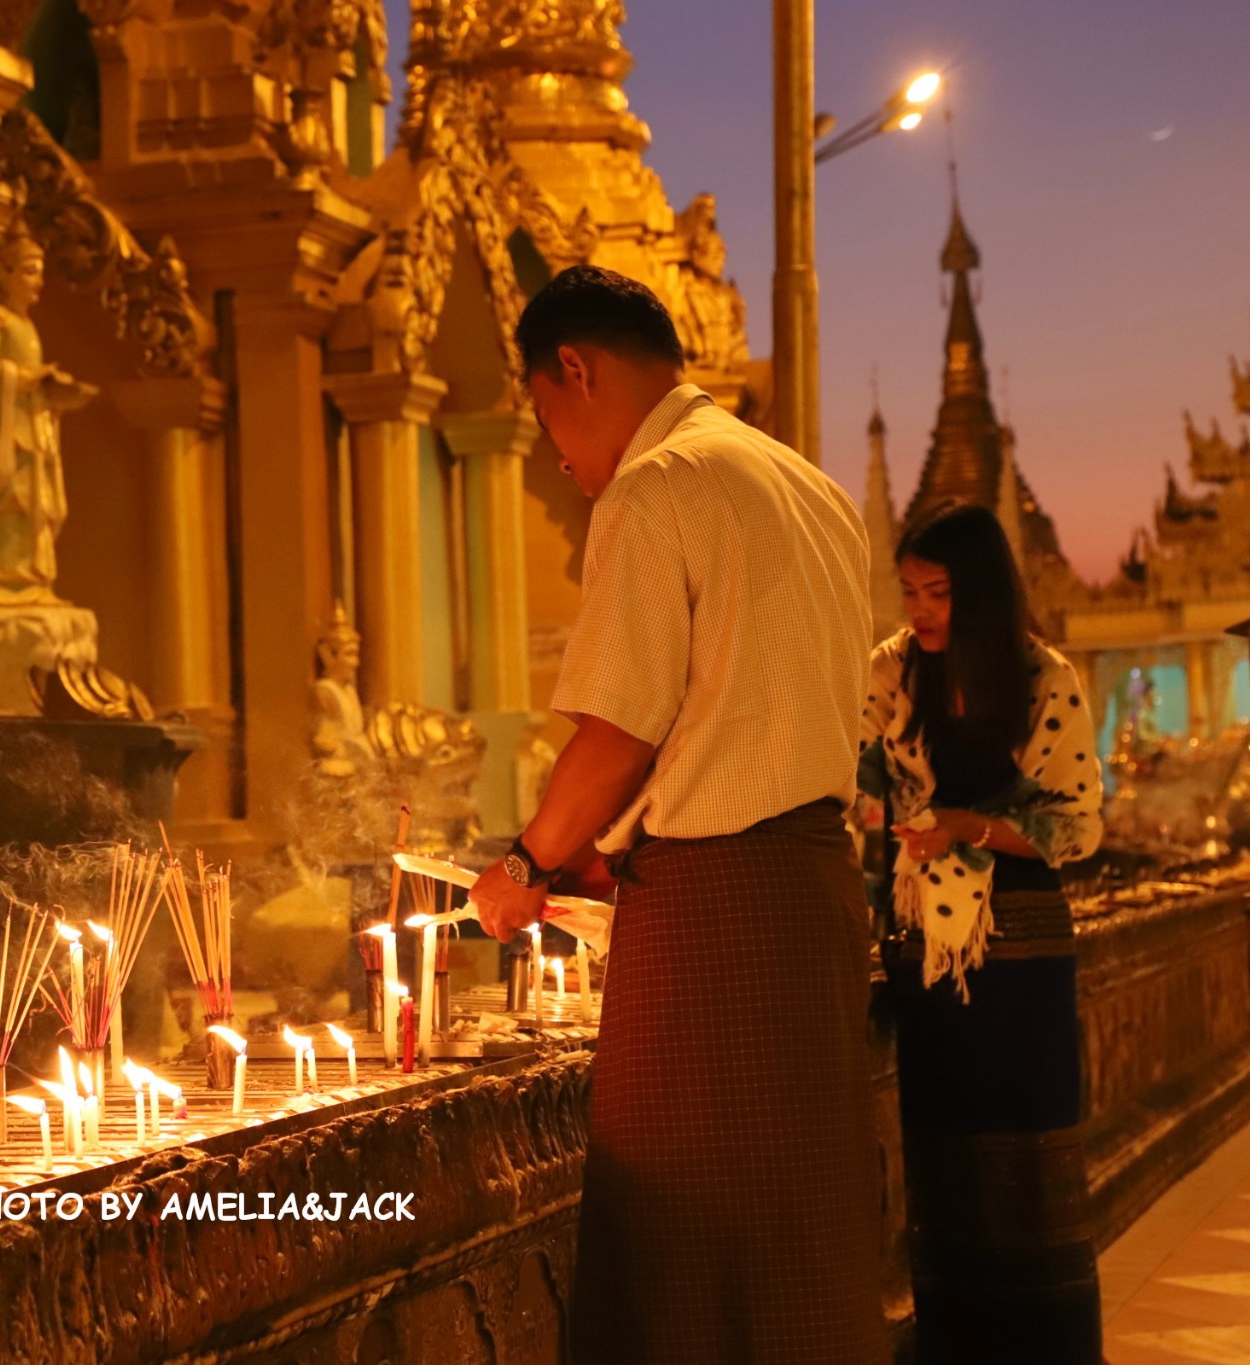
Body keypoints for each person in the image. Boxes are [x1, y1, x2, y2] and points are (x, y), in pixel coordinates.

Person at [472, 266, 884, 1363]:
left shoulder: (657, 484)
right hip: (812, 889)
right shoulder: (808, 487)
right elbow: (743, 710)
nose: (554, 453)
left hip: (715, 911)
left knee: (677, 1228)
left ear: (575, 367)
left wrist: (524, 864)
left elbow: (617, 730)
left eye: (546, 414)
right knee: (798, 1224)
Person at [862, 500, 1104, 1362]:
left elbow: (1077, 825)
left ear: (986, 595)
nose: (920, 611)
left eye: (939, 592)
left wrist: (967, 826)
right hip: (928, 949)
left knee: (1029, 1157)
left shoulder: (1044, 679)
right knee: (946, 1155)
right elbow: (861, 783)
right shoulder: (891, 673)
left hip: (1021, 953)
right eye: (910, 592)